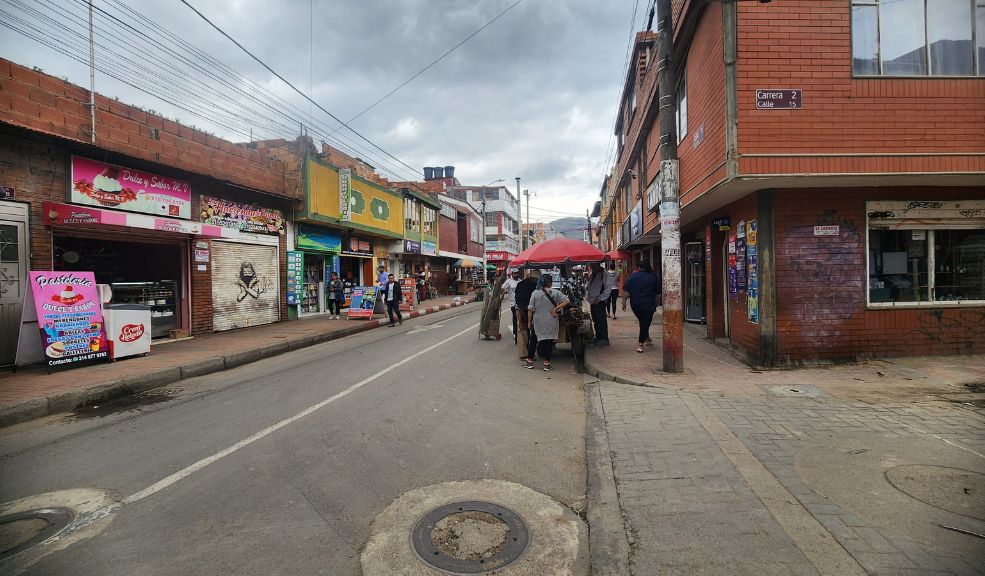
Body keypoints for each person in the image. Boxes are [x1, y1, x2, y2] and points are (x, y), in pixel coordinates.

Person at [527, 273, 570, 371]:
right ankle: (546, 364)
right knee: (549, 342)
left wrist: (529, 322)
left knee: (533, 341)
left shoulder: (535, 293)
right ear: (550, 283)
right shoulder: (555, 292)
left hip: (537, 322)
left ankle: (529, 362)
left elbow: (530, 309)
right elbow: (567, 301)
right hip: (551, 321)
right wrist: (556, 308)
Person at [621, 261, 658, 353]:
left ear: (638, 267)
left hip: (635, 304)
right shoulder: (652, 276)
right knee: (645, 322)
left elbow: (626, 291)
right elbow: (657, 293)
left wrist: (623, 302)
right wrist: (656, 303)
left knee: (643, 321)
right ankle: (640, 344)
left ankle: (647, 338)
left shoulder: (632, 276)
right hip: (649, 303)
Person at [586, 262, 613, 346]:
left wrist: (600, 299)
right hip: (593, 301)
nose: (591, 267)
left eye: (592, 265)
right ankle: (598, 337)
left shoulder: (604, 274)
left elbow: (608, 288)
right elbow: (590, 287)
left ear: (597, 264)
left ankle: (604, 339)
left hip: (599, 301)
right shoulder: (593, 274)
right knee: (596, 320)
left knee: (601, 320)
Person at [514, 269, 538, 365]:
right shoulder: (530, 286)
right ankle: (524, 354)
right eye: (536, 279)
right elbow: (520, 299)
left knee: (526, 330)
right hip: (522, 309)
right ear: (532, 278)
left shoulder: (523, 284)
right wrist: (524, 312)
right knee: (523, 330)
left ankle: (527, 352)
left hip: (525, 309)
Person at [503, 269, 521, 343]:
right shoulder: (508, 281)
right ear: (512, 274)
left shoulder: (520, 281)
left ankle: (520, 332)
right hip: (513, 304)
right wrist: (501, 296)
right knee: (515, 318)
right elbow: (503, 288)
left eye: (517, 273)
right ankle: (515, 332)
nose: (516, 275)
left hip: (520, 303)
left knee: (521, 319)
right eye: (514, 273)